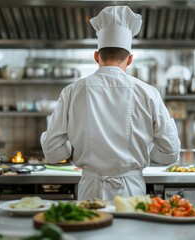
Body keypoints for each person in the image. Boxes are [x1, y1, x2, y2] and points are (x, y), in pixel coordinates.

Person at [41, 5, 181, 201]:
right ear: (130, 59)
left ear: (96, 56)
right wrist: (144, 154)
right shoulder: (149, 93)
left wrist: (71, 151)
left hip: (90, 191)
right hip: (132, 192)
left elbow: (52, 153)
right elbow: (170, 153)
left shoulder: (72, 92)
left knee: (92, 230)